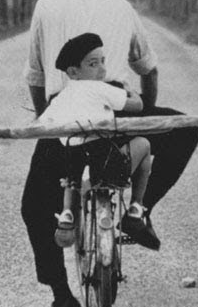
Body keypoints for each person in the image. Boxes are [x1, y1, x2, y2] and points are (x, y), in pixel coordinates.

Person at [21, 0, 198, 307]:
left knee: (35, 205)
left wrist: (48, 124)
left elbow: (36, 78)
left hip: (64, 109)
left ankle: (63, 299)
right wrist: (147, 113)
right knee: (187, 130)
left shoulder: (46, 6)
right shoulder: (121, 7)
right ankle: (140, 210)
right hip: (119, 111)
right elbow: (148, 69)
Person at [39, 32, 153, 249]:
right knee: (144, 144)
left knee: (71, 173)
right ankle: (135, 208)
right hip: (106, 162)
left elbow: (42, 124)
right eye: (93, 64)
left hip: (71, 161)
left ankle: (67, 213)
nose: (102, 69)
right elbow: (137, 107)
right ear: (74, 72)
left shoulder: (62, 97)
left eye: (103, 61)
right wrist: (131, 93)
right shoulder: (100, 87)